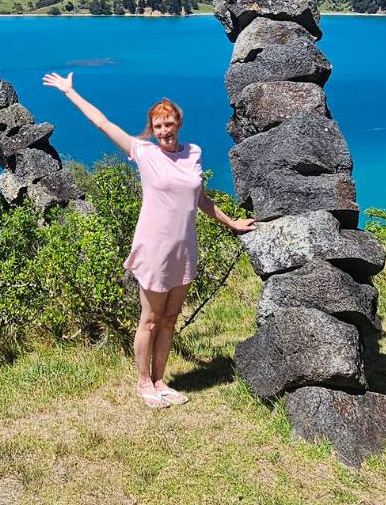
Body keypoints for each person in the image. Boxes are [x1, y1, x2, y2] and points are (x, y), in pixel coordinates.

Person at [41, 71, 255, 409]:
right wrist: (70, 91)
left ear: (178, 124)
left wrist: (231, 223)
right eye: (158, 126)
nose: (164, 131)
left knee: (170, 320)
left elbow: (200, 198)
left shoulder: (194, 153)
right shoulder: (143, 152)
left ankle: (160, 380)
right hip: (155, 250)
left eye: (169, 124)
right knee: (151, 319)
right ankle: (143, 384)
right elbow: (102, 123)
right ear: (151, 130)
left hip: (184, 250)